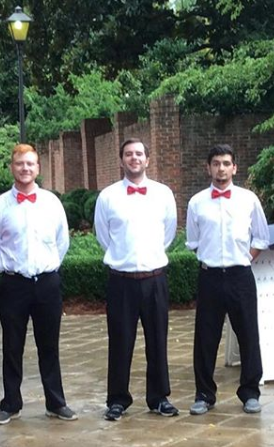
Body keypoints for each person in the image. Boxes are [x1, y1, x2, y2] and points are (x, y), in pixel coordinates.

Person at [0, 143, 77, 425]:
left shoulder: (52, 203)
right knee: (12, 345)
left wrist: (48, 268)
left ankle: (55, 402)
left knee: (49, 345)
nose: (25, 168)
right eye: (20, 163)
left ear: (38, 168)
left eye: (30, 164)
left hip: (47, 283)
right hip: (14, 285)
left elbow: (62, 242)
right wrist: (9, 268)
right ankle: (10, 403)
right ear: (12, 167)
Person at [94, 138, 179, 421]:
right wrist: (124, 257)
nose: (134, 158)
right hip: (121, 281)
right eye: (128, 154)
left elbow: (168, 233)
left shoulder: (164, 194)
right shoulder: (107, 197)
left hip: (155, 279)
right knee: (120, 341)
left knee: (158, 340)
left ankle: (159, 397)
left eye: (139, 154)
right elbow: (103, 237)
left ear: (148, 160)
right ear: (121, 161)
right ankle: (117, 399)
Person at [186, 144, 270, 415]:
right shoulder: (196, 202)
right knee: (205, 338)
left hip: (240, 276)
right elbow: (194, 242)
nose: (221, 168)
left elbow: (261, 237)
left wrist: (245, 258)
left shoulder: (248, 199)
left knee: (248, 333)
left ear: (234, 167)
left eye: (226, 163)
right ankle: (204, 394)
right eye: (216, 163)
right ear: (207, 167)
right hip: (210, 276)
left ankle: (250, 392)